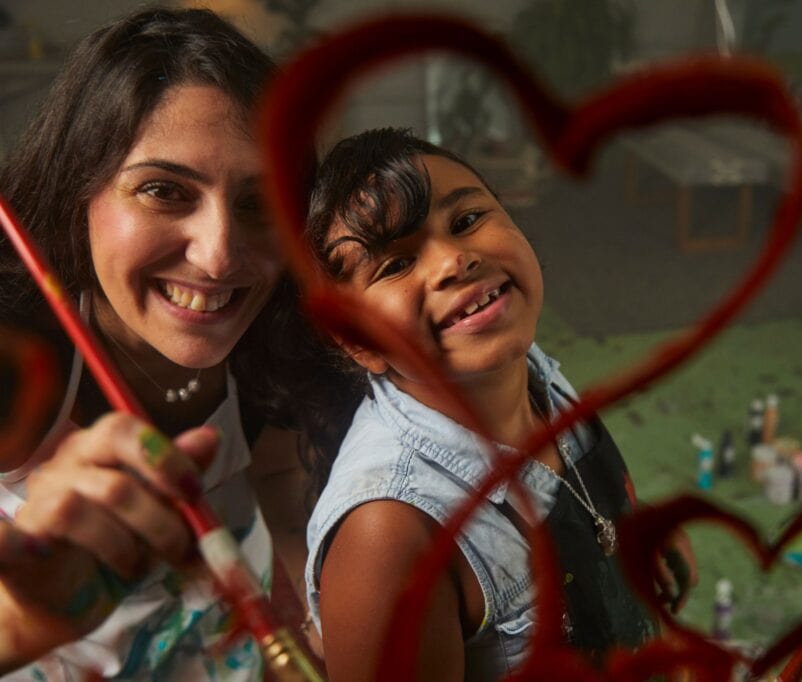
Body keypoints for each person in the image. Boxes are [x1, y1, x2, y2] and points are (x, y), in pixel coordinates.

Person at [0, 7, 345, 679]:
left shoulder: (272, 336)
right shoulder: (16, 361)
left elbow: (277, 472)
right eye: (163, 191)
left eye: (258, 201)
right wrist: (20, 624)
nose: (219, 256)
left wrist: (308, 601)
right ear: (80, 190)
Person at [302, 128, 697, 681]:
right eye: (394, 265)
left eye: (465, 222)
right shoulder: (390, 539)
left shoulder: (532, 371)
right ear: (358, 342)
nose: (452, 261)